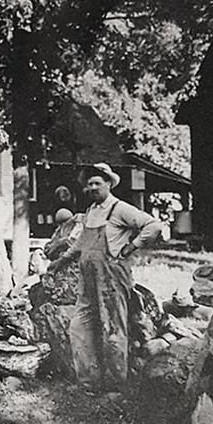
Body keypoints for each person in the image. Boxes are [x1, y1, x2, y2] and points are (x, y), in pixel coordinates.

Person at [48, 162, 166, 400]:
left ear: (109, 184)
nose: (92, 187)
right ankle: (88, 382)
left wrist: (132, 246)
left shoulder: (119, 209)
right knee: (79, 327)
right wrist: (60, 261)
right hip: (88, 279)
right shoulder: (91, 210)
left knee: (112, 328)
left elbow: (153, 225)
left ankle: (114, 387)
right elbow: (82, 242)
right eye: (89, 183)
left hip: (112, 277)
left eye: (97, 183)